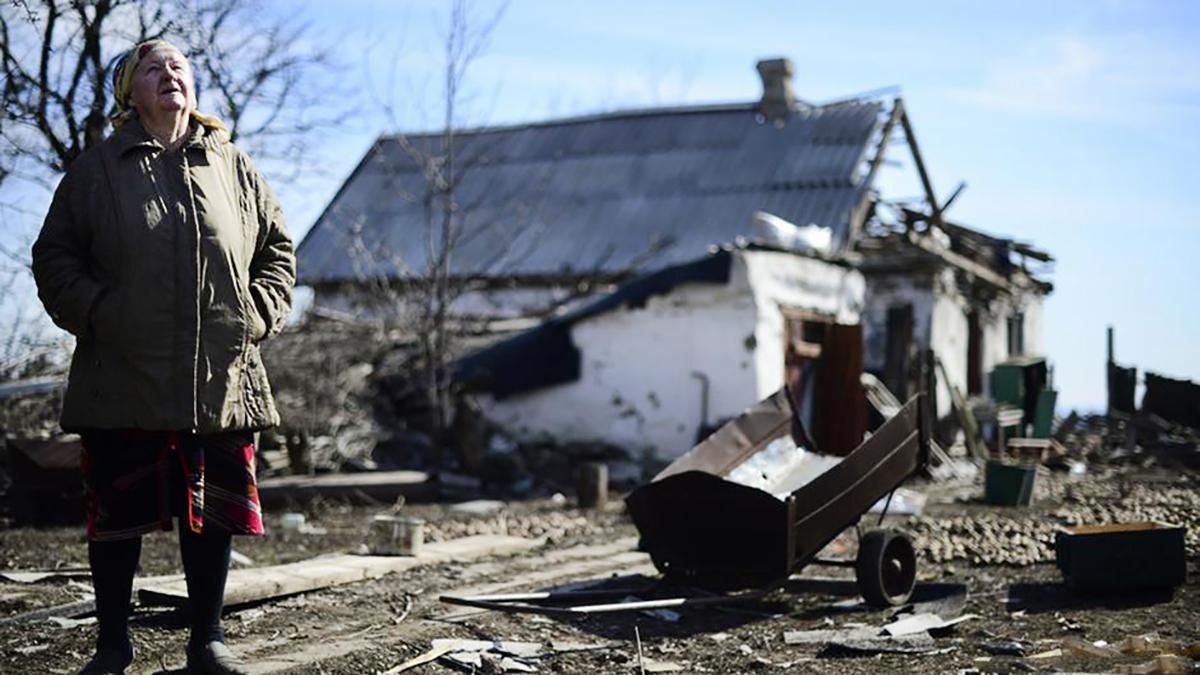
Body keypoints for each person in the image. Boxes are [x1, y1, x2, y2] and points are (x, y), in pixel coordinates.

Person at [31, 39, 295, 675]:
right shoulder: (97, 169)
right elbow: (54, 257)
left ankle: (207, 640)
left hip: (220, 376)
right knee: (117, 516)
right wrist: (99, 314)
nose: (169, 73)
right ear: (130, 95)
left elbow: (279, 251)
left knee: (212, 518)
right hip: (123, 373)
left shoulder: (234, 165)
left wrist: (255, 316)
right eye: (152, 67)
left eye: (179, 65)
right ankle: (111, 645)